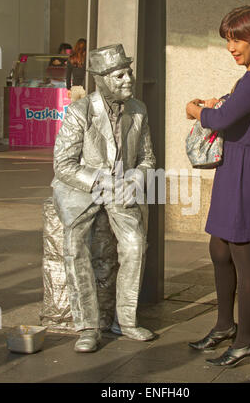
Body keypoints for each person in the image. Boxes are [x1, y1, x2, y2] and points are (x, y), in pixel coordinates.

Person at [186, 5, 250, 367]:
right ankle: (225, 325)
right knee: (219, 248)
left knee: (242, 252)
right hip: (233, 166)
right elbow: (231, 111)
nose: (231, 47)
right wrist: (214, 105)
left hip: (247, 168)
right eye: (228, 39)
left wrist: (195, 110)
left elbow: (223, 118)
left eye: (238, 38)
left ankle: (245, 341)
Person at [51, 44, 156, 353]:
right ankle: (87, 327)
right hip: (82, 189)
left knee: (136, 244)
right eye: (119, 74)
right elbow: (63, 165)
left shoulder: (138, 110)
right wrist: (101, 180)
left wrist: (137, 176)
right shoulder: (79, 111)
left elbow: (148, 159)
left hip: (121, 188)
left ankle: (125, 321)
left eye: (129, 72)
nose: (128, 79)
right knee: (74, 245)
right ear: (101, 79)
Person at [66, 38, 87, 102]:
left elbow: (68, 75)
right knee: (84, 109)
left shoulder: (71, 58)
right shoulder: (87, 58)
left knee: (74, 110)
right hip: (85, 87)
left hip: (74, 88)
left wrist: (68, 88)